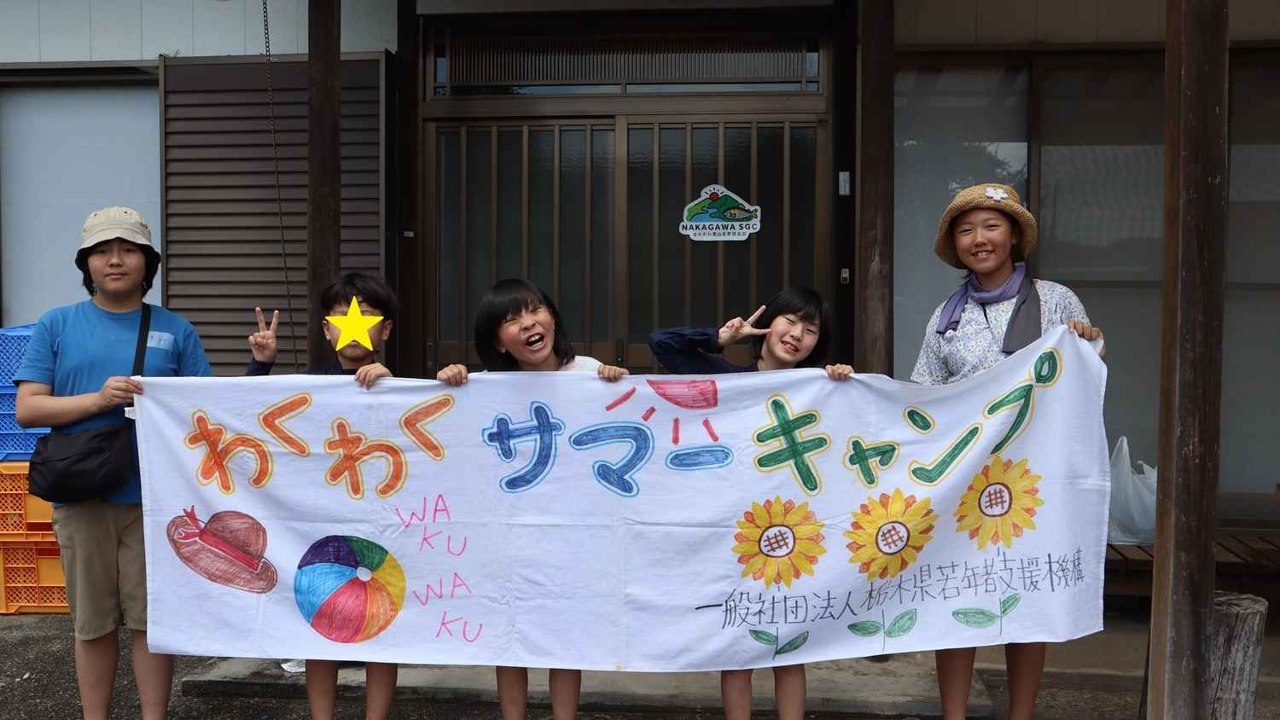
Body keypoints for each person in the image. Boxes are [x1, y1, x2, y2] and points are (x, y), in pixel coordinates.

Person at [910, 183, 1103, 720]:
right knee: (954, 595)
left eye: (992, 226)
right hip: (964, 478)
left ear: (1014, 235)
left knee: (1028, 596)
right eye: (966, 230)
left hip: (1034, 481)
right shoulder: (945, 316)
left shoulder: (1056, 300)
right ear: (955, 244)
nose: (979, 239)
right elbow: (925, 394)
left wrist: (1086, 341)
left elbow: (1084, 374)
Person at [14, 206, 213, 720]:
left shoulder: (176, 329)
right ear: (87, 264)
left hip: (157, 499)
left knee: (152, 623)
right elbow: (28, 409)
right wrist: (99, 400)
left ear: (148, 263)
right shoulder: (56, 324)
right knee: (92, 624)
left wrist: (259, 366)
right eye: (102, 251)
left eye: (128, 250)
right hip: (81, 496)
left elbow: (205, 411)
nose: (115, 260)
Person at [647, 286, 852, 720]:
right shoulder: (724, 378)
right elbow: (661, 344)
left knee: (790, 646)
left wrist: (841, 381)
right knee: (737, 647)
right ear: (768, 323)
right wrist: (720, 338)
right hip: (734, 533)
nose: (797, 335)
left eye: (810, 330)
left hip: (794, 534)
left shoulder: (819, 389)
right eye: (790, 321)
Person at [435, 278, 628, 720]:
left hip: (574, 536)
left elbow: (626, 415)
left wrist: (615, 383)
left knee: (566, 637)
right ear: (498, 343)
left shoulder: (588, 372)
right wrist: (450, 380)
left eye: (535, 311)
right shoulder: (484, 387)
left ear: (553, 318)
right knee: (510, 634)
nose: (528, 324)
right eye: (511, 320)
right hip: (510, 538)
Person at [246, 271, 400, 720]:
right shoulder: (306, 387)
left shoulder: (404, 387)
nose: (354, 325)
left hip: (383, 521)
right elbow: (245, 414)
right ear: (327, 329)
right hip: (318, 521)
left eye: (366, 315)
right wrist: (261, 365)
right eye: (342, 316)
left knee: (384, 628)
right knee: (318, 622)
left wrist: (393, 385)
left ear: (386, 329)